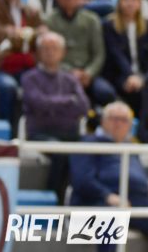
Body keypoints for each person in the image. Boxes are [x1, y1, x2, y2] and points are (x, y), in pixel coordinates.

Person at [70, 101, 148, 252]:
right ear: (103, 121)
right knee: (113, 217)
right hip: (98, 203)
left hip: (135, 202)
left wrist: (146, 189)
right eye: (113, 118)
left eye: (123, 120)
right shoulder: (88, 143)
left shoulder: (130, 147)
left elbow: (137, 176)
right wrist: (107, 196)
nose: (118, 124)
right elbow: (82, 179)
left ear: (130, 125)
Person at [21, 31, 89, 197]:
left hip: (70, 134)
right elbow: (38, 104)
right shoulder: (29, 78)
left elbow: (83, 106)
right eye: (46, 48)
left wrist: (52, 104)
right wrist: (68, 101)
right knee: (60, 152)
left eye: (54, 48)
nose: (50, 52)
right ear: (38, 52)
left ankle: (84, 200)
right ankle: (53, 200)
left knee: (94, 147)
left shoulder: (70, 79)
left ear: (63, 52)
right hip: (40, 133)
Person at [45, 0, 115, 107]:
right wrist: (69, 73)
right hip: (59, 73)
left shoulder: (92, 20)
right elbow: (46, 55)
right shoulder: (49, 20)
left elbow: (99, 53)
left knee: (106, 93)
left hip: (87, 74)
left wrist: (88, 73)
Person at [0, 0, 42, 123]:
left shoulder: (30, 9)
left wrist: (17, 34)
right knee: (8, 87)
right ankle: (7, 131)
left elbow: (41, 33)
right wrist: (25, 35)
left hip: (26, 65)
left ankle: (35, 129)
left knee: (43, 81)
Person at [102, 0, 148, 113]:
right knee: (136, 91)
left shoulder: (147, 25)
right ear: (119, 2)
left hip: (142, 74)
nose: (130, 3)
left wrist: (145, 78)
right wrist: (131, 75)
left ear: (140, 3)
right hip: (119, 74)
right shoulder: (109, 25)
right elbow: (116, 55)